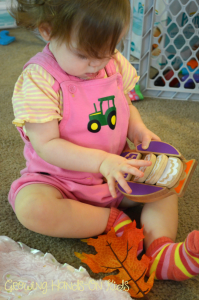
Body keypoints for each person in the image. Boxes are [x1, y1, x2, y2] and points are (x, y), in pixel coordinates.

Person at [8, 0, 199, 281]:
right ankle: (114, 223)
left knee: (168, 176)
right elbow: (46, 144)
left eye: (107, 51)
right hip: (60, 182)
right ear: (48, 31)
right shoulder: (39, 80)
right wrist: (102, 162)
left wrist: (139, 131)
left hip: (119, 173)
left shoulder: (112, 63)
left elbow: (127, 105)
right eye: (84, 54)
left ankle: (161, 252)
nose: (96, 63)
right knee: (32, 208)